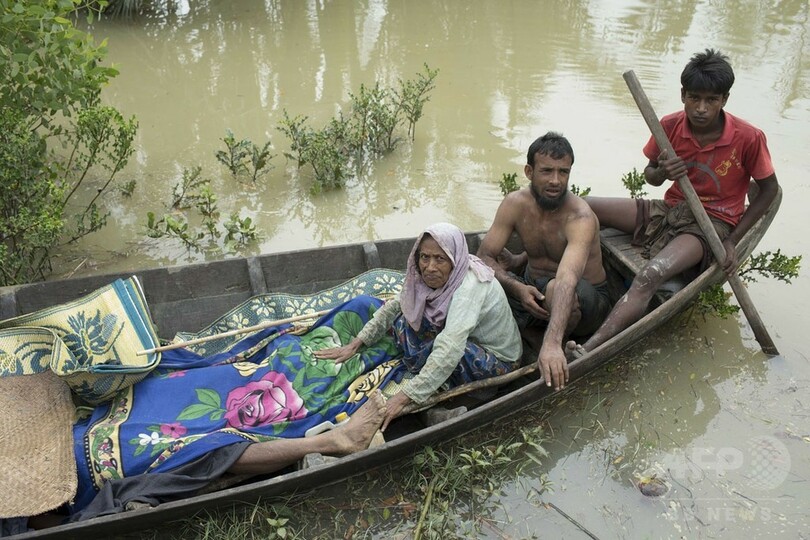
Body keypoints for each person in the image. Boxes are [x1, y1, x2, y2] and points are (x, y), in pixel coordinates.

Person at [576, 48, 779, 354]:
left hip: (712, 223)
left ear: (724, 100)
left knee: (649, 276)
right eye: (694, 98)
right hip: (669, 209)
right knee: (581, 205)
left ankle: (589, 349)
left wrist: (733, 241)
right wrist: (661, 171)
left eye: (711, 100)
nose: (701, 108)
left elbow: (769, 190)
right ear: (683, 94)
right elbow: (650, 175)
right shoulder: (669, 125)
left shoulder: (748, 137)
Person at [315, 222, 522, 431]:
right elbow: (397, 305)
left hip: (497, 362)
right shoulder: (429, 276)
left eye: (440, 259)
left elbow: (450, 348)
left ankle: (459, 397)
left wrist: (404, 397)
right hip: (461, 339)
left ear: (454, 260)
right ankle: (430, 383)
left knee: (449, 350)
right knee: (405, 317)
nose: (430, 267)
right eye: (425, 257)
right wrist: (357, 343)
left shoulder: (470, 287)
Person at [476, 132, 610, 392]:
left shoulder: (580, 216)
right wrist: (516, 286)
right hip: (531, 287)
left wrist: (552, 342)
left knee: (554, 289)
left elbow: (567, 279)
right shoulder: (515, 204)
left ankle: (553, 346)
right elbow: (484, 257)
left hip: (585, 300)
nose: (556, 181)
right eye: (547, 171)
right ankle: (534, 336)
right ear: (529, 171)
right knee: (478, 281)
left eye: (564, 172)